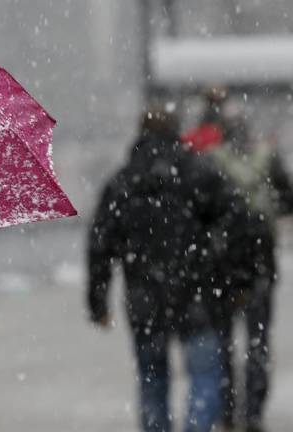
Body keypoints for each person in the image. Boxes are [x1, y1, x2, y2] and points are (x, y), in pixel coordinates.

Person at [87, 100, 247, 432]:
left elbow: (100, 244)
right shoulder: (199, 173)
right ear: (176, 132)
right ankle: (197, 426)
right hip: (198, 292)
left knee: (152, 379)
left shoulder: (122, 182)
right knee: (204, 377)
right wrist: (237, 278)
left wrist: (98, 300)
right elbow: (237, 221)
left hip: (145, 297)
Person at [206, 101, 293, 432]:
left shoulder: (212, 162)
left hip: (222, 265)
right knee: (258, 341)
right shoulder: (266, 158)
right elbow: (287, 200)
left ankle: (227, 409)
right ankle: (254, 412)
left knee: (223, 341)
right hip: (260, 261)